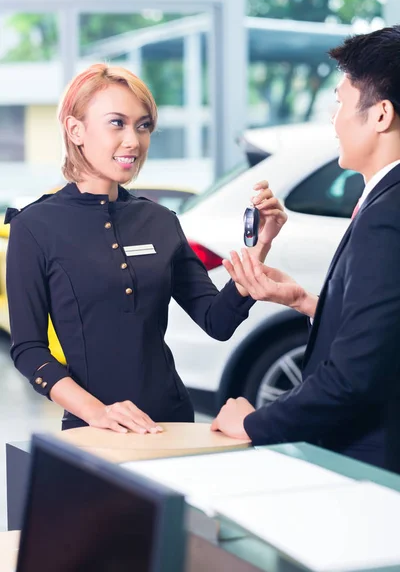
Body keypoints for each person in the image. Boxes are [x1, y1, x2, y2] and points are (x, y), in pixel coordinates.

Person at [5, 63, 287, 434]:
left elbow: (216, 321)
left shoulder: (161, 220)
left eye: (143, 126)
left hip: (172, 421)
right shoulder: (34, 226)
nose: (133, 141)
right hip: (93, 429)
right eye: (116, 123)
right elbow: (29, 351)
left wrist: (260, 245)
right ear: (76, 130)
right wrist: (98, 413)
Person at [211, 25, 400, 473]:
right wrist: (306, 301)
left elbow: (354, 378)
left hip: (375, 465)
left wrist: (255, 424)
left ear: (380, 115)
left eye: (340, 102)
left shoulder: (387, 214)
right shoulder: (383, 201)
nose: (333, 121)